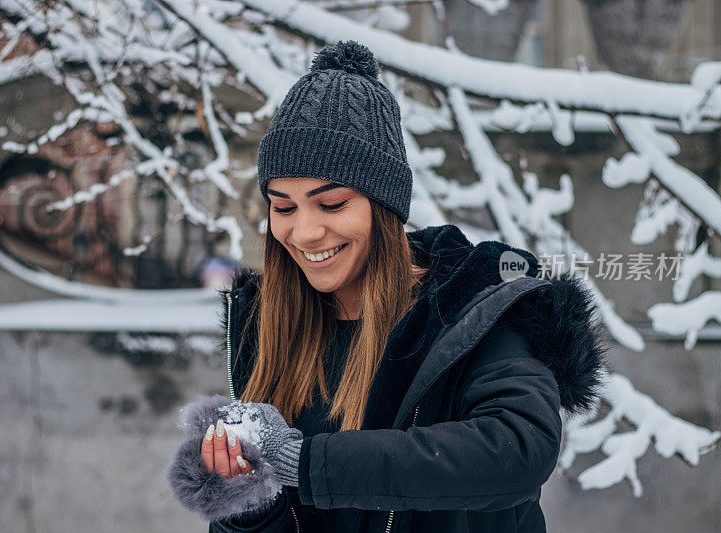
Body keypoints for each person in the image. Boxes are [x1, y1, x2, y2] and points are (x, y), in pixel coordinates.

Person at [168, 40, 607, 533]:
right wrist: (248, 504)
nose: (305, 232)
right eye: (284, 207)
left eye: (331, 204)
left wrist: (305, 462)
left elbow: (518, 451)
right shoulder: (266, 325)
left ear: (384, 208)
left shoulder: (474, 309)